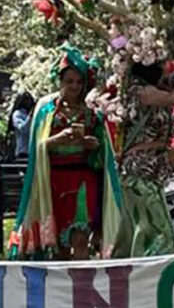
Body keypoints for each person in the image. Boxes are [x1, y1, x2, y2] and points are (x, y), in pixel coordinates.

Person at [9, 46, 121, 260]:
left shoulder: (92, 115)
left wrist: (92, 144)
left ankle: (81, 285)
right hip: (54, 180)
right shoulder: (46, 111)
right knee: (58, 241)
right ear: (60, 82)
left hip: (83, 180)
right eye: (69, 82)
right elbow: (36, 148)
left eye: (79, 82)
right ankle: (61, 289)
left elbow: (104, 151)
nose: (75, 87)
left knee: (80, 236)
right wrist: (56, 141)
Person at [114, 54, 174, 257]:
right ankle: (145, 275)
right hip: (140, 169)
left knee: (146, 226)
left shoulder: (142, 91)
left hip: (152, 168)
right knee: (156, 231)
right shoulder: (141, 90)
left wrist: (170, 130)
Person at [8, 91, 35, 161]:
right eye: (26, 100)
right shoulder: (17, 114)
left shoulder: (32, 114)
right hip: (23, 152)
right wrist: (30, 117)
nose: (28, 102)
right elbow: (23, 129)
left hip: (33, 151)